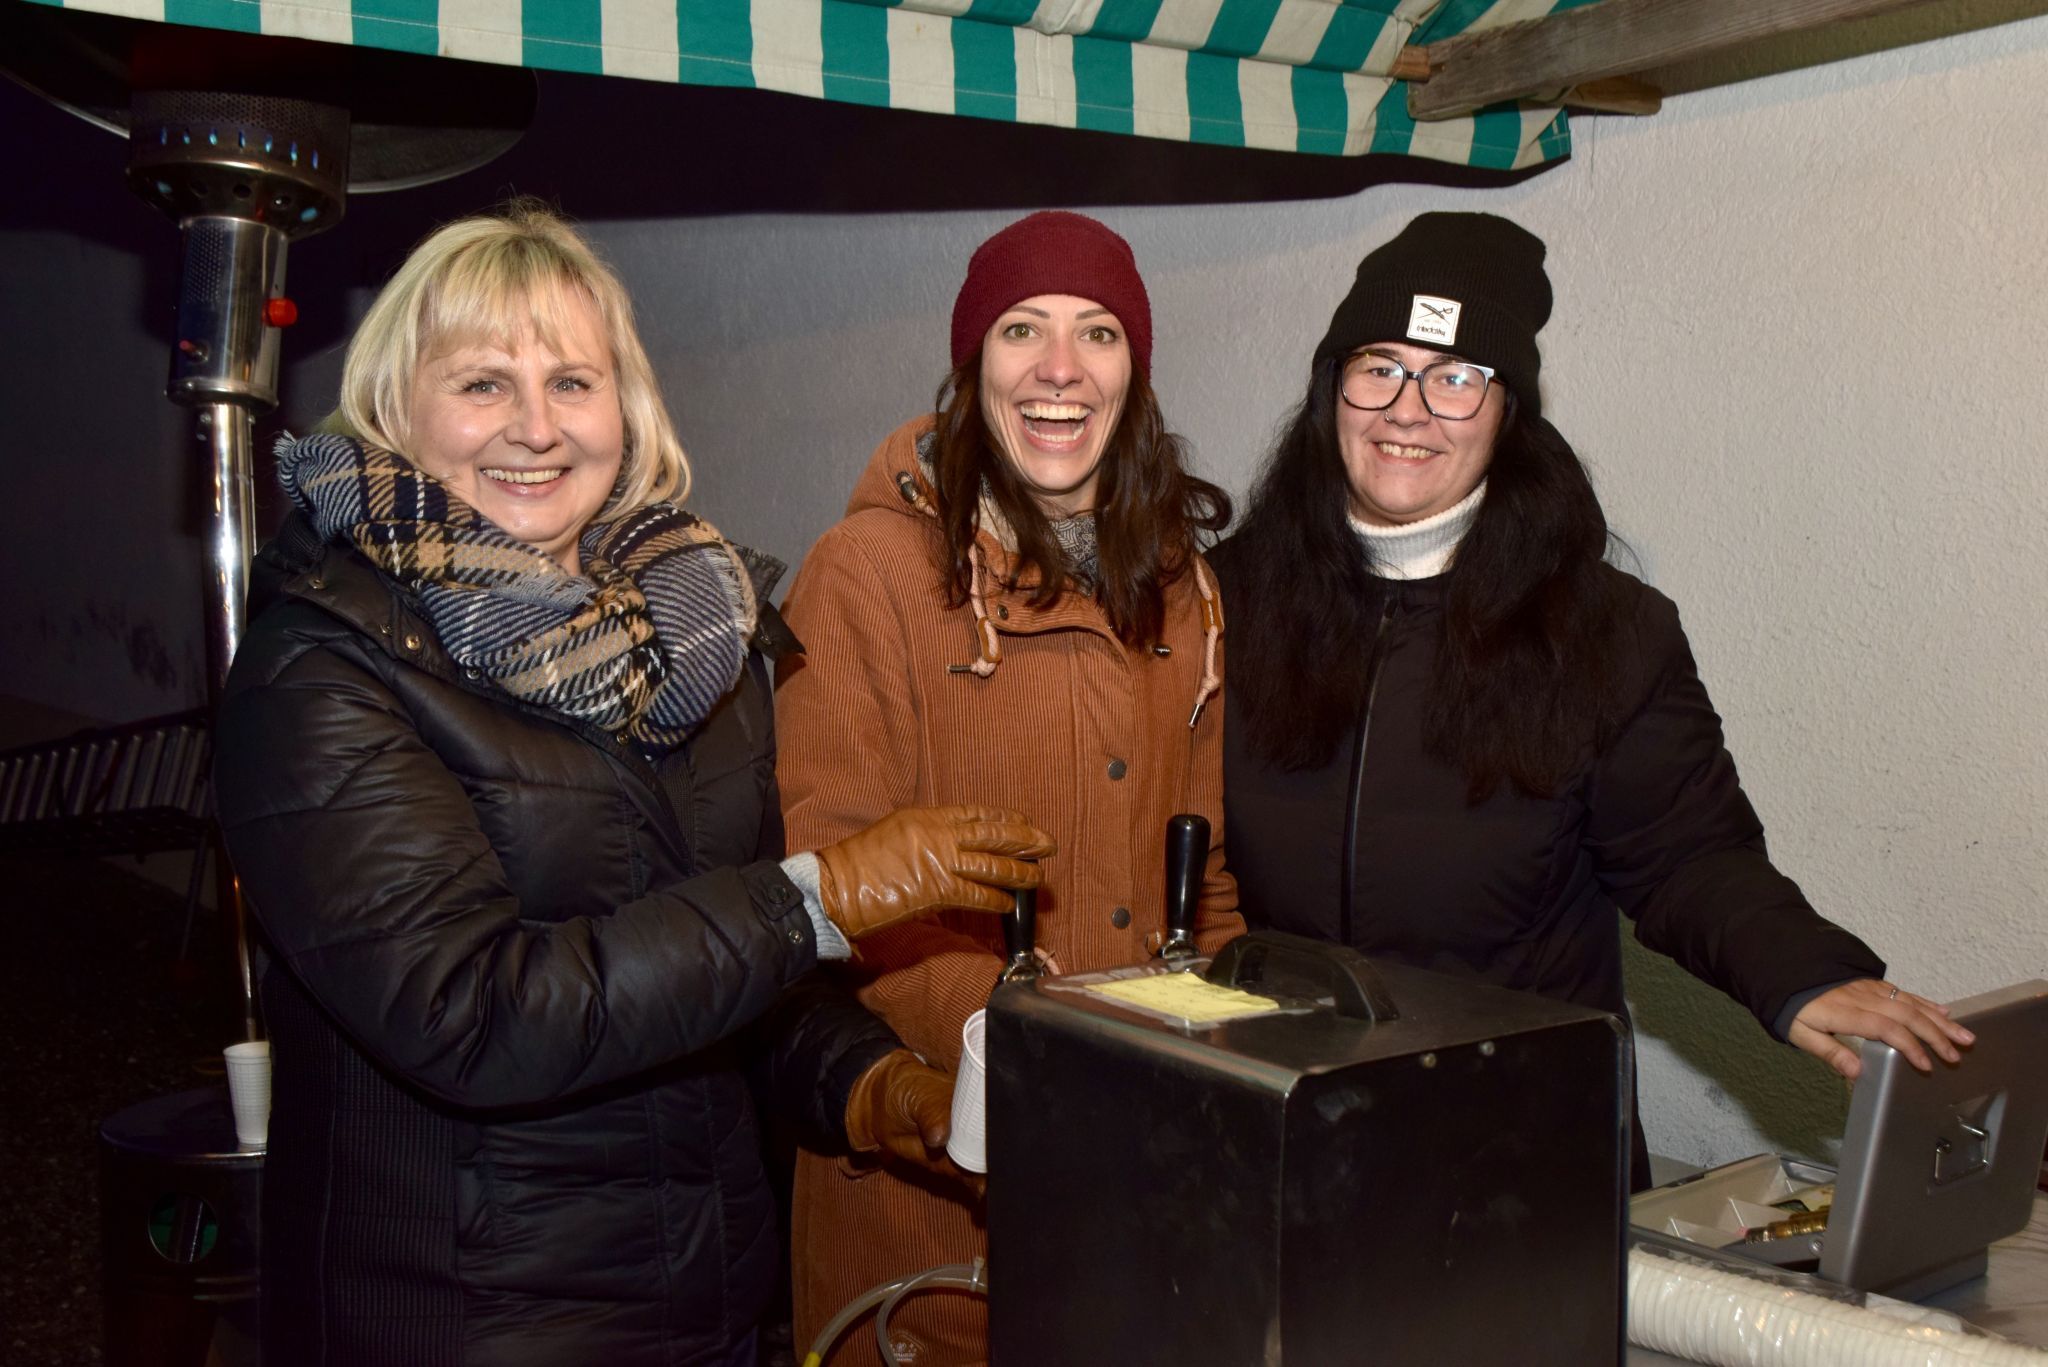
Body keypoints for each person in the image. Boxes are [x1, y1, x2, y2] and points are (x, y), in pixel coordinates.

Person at [210, 202, 1056, 1366]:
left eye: (572, 381)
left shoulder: (698, 639)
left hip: (706, 1295)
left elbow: (726, 972)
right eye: (482, 383)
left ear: (626, 408)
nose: (535, 426)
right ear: (396, 412)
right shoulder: (324, 666)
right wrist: (817, 896)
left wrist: (873, 1087)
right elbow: (473, 1015)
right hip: (470, 1318)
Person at [1211, 210, 1973, 1187]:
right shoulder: (1223, 604)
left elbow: (1688, 855)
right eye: (1379, 367)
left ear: (1507, 414)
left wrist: (1800, 971)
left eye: (1455, 377)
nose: (1408, 409)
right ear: (1331, 393)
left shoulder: (1606, 632)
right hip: (1281, 1139)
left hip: (1517, 1159)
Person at [775, 210, 1244, 1366]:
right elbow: (835, 890)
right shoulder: (867, 575)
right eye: (1021, 328)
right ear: (970, 363)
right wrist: (1041, 1060)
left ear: (1133, 373)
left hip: (1135, 1187)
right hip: (930, 1198)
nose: (1058, 367)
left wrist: (1236, 1062)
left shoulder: (1181, 590)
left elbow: (1205, 879)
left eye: (1097, 333)